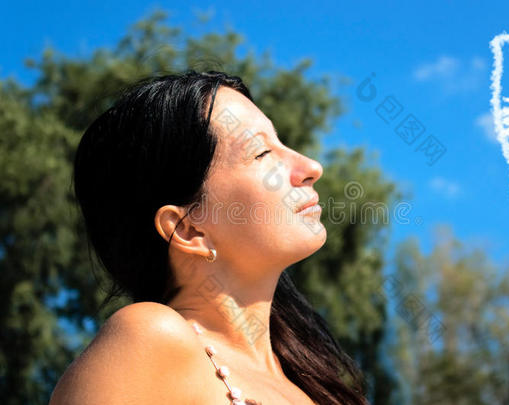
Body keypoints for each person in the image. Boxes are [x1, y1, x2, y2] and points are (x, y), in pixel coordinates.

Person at [48, 70, 369, 404]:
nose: (311, 167)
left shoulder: (317, 384)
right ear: (188, 230)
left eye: (281, 142)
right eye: (261, 153)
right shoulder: (149, 339)